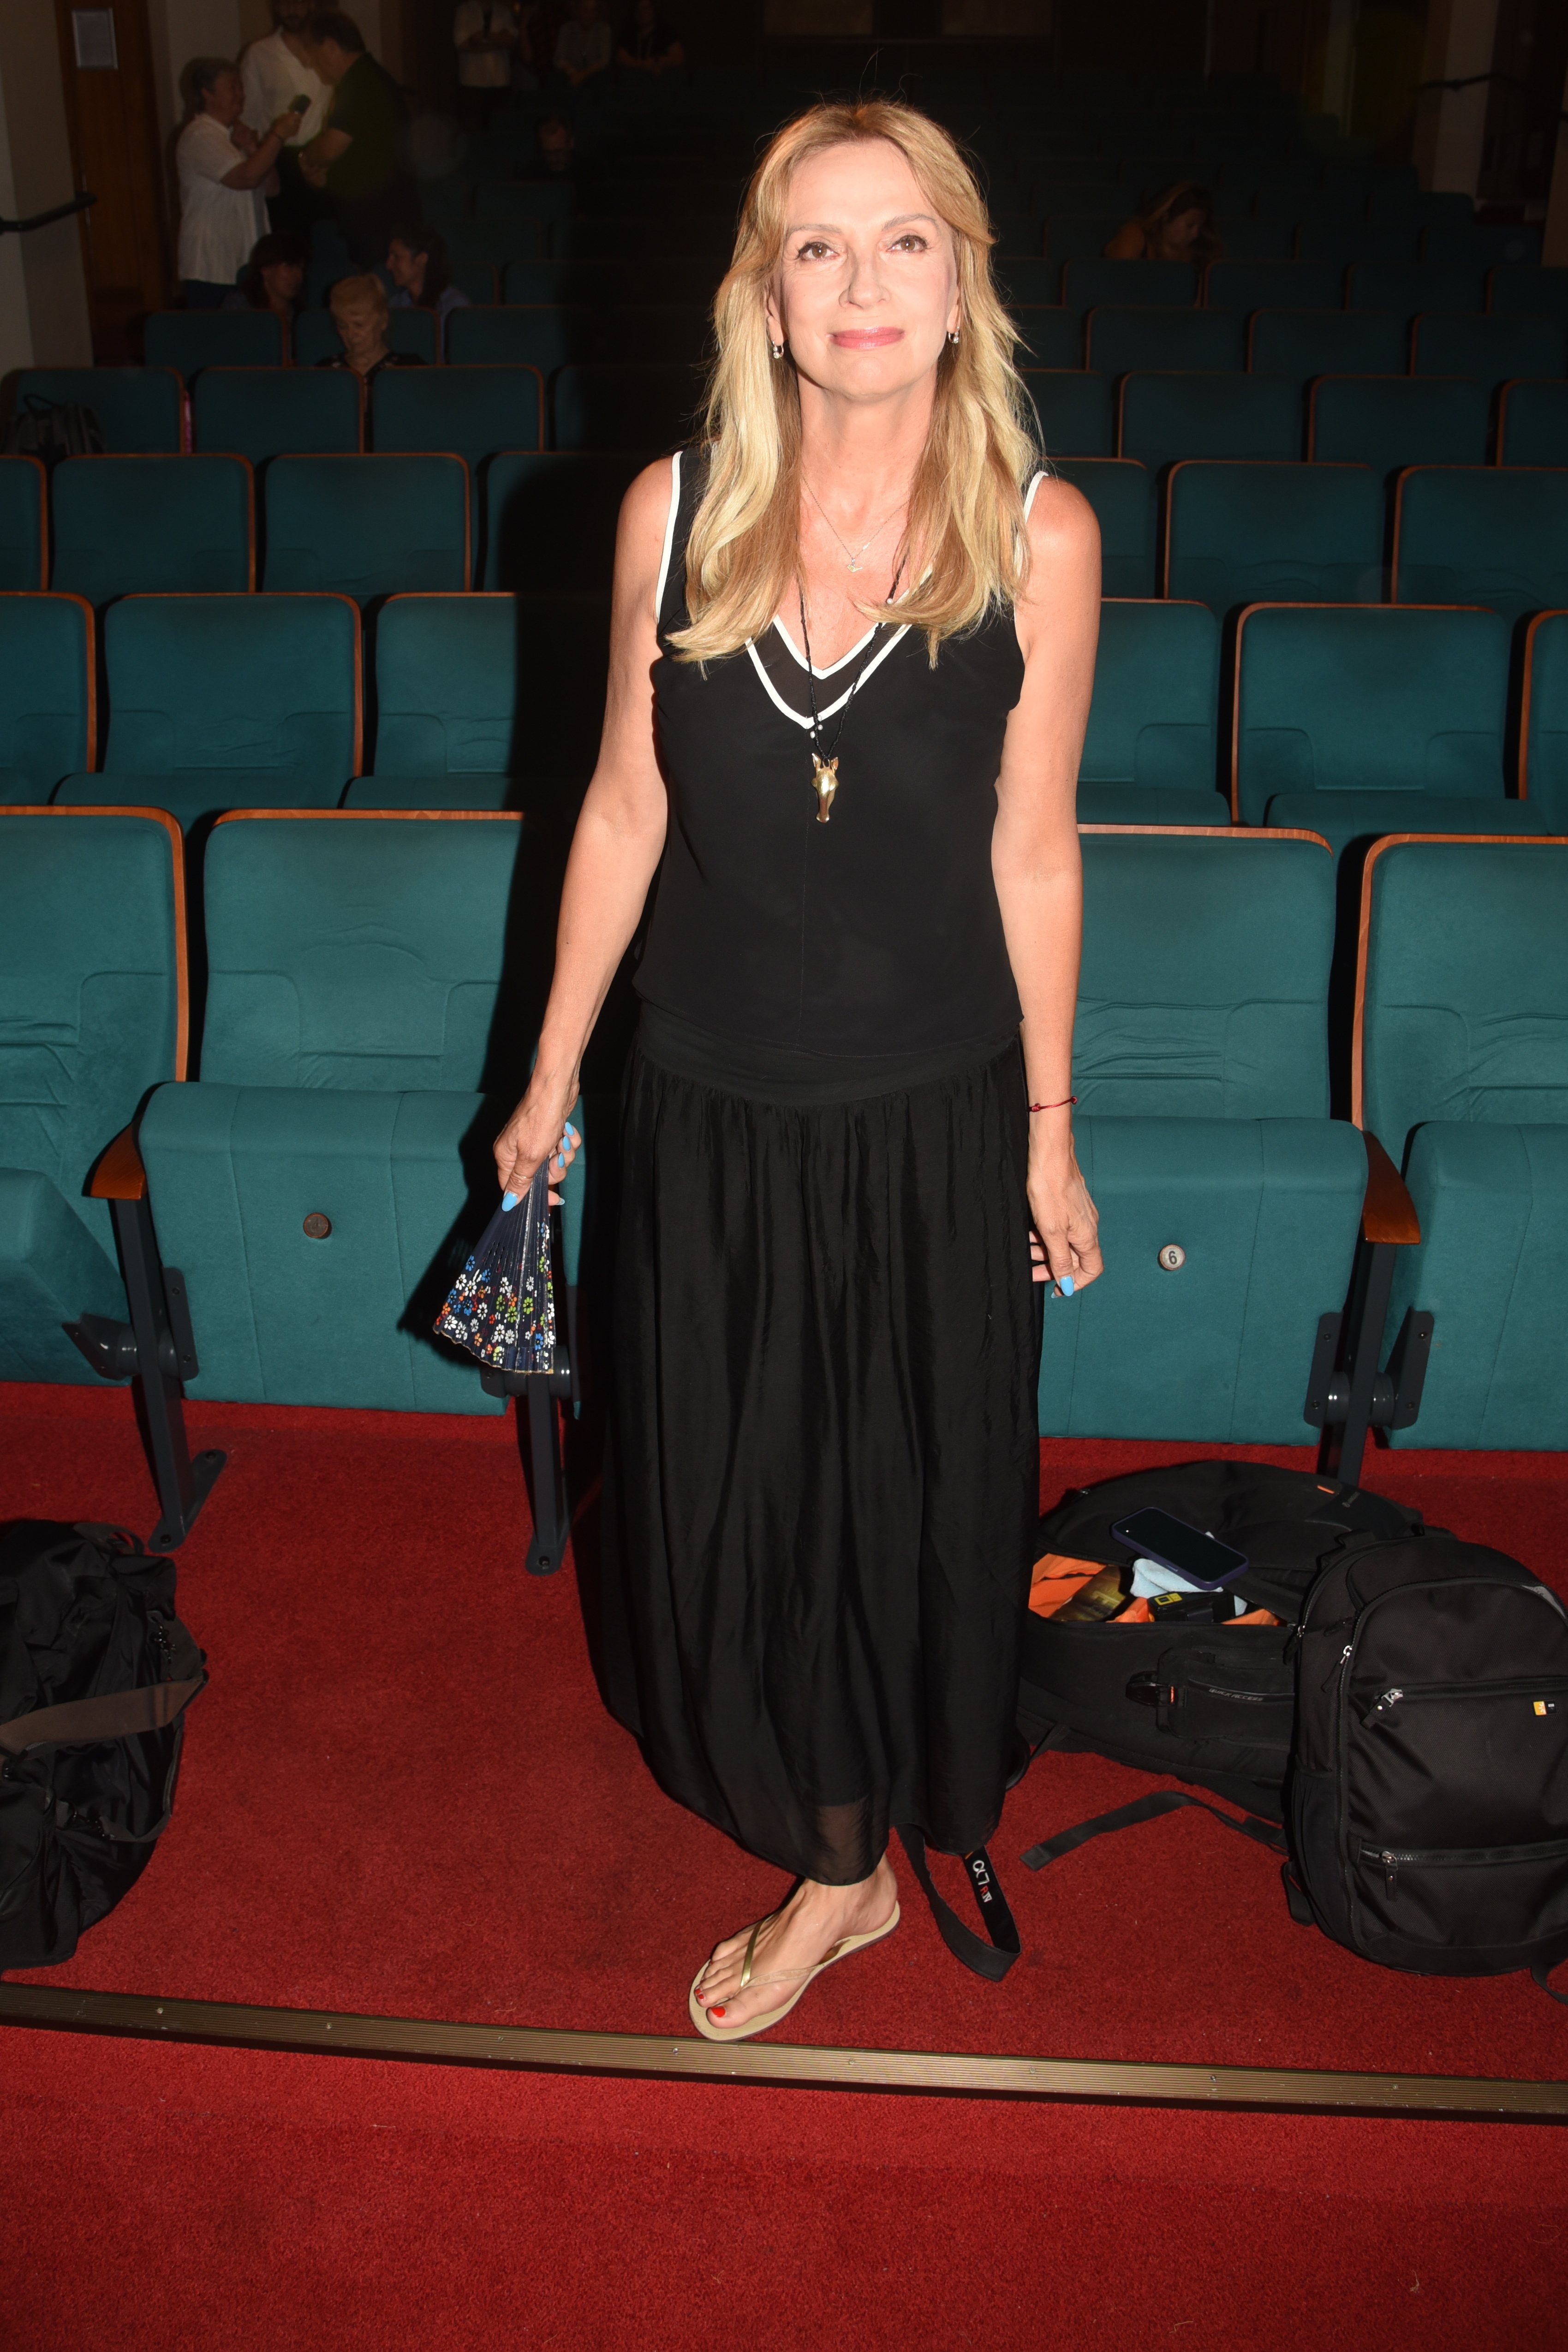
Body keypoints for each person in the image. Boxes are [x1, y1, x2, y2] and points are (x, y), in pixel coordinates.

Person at [490, 101, 1102, 2042]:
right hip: (711, 1112)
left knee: (905, 1490)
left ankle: (871, 1846)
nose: (862, 283)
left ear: (960, 284)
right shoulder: (669, 516)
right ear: (763, 295)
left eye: (905, 241)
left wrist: (1051, 1133)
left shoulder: (1038, 534)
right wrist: (549, 1074)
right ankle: (836, 1838)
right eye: (817, 246)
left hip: (930, 1114)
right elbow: (619, 806)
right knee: (746, 1494)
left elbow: (1034, 850)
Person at [299, 10, 418, 269]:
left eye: (314, 55)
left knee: (376, 287)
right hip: (378, 215)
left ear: (331, 46)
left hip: (379, 219)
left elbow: (330, 148)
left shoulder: (360, 82)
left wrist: (306, 157)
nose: (312, 65)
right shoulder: (367, 77)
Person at [176, 60, 297, 308]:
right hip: (213, 267)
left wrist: (254, 149)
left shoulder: (235, 136)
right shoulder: (201, 135)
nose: (241, 94)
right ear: (207, 93)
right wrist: (278, 135)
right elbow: (246, 178)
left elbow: (272, 188)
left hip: (247, 263)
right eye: (232, 87)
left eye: (241, 87)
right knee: (218, 332)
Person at [240, 0, 329, 238]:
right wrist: (264, 165)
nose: (291, 10)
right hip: (282, 162)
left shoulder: (328, 48)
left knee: (329, 238)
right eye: (284, 3)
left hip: (324, 158)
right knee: (288, 243)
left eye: (297, 2)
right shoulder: (259, 54)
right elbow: (248, 119)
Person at [315, 272, 424, 377]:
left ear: (383, 321)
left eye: (359, 325)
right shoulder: (325, 371)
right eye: (343, 327)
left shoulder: (411, 369)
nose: (351, 334)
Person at [387, 226, 471, 346]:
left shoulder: (455, 309)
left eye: (397, 257)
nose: (389, 265)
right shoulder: (395, 305)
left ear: (421, 260)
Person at [1104, 180, 1223, 265]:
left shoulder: (1202, 251)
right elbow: (1118, 279)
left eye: (1200, 227)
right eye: (1190, 226)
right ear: (1166, 217)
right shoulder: (1135, 235)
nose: (1196, 234)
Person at [453, 0, 519, 128]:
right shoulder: (465, 11)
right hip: (472, 82)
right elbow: (463, 44)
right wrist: (497, 42)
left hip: (500, 81)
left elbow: (510, 40)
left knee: (501, 126)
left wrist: (485, 35)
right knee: (473, 127)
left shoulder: (503, 11)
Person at [222, 229, 309, 323]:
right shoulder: (240, 307)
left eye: (301, 268)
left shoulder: (303, 316)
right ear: (265, 268)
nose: (297, 275)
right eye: (289, 266)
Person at [553, 0, 611, 89]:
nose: (589, 15)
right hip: (570, 74)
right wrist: (573, 73)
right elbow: (559, 59)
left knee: (604, 77)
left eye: (593, 10)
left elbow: (604, 59)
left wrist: (584, 74)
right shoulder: (567, 29)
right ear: (578, 11)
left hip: (594, 75)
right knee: (556, 78)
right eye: (585, 10)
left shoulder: (603, 30)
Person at [618, 0, 683, 75]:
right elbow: (621, 58)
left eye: (646, 8)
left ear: (654, 10)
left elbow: (679, 57)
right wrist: (642, 65)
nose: (642, 12)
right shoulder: (630, 33)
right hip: (635, 78)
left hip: (661, 78)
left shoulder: (666, 32)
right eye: (638, 9)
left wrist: (657, 61)